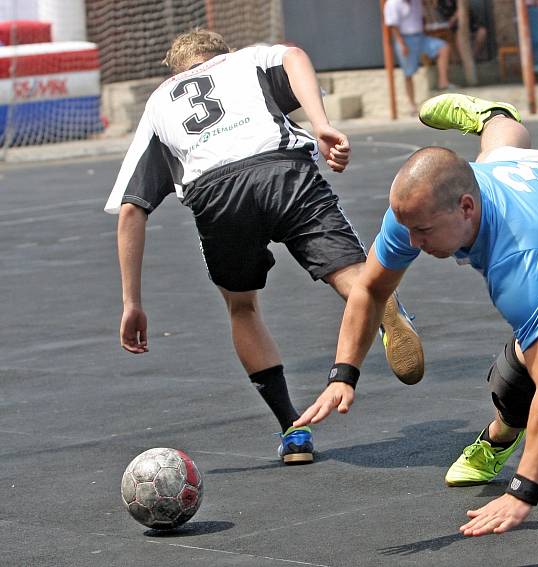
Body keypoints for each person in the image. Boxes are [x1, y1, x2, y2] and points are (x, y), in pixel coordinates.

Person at [295, 93, 538, 536]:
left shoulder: (519, 259)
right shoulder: (420, 209)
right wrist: (342, 374)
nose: (412, 243)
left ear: (466, 208)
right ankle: (494, 117)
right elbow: (370, 287)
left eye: (422, 231)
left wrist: (524, 492)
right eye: (407, 229)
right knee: (499, 155)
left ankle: (499, 437)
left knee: (519, 377)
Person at [104, 29, 424, 465]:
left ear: (178, 69)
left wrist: (131, 302)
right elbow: (294, 55)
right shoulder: (247, 60)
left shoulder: (160, 101)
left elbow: (130, 210)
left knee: (242, 308)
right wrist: (321, 123)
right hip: (280, 170)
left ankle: (294, 431)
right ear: (222, 53)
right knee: (355, 279)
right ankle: (383, 308)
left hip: (216, 194)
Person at [384, 0, 452, 113]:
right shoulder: (393, 3)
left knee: (443, 47)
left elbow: (424, 15)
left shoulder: (417, 2)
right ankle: (412, 104)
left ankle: (443, 82)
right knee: (408, 73)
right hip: (405, 39)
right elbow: (393, 26)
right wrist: (401, 43)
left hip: (421, 36)